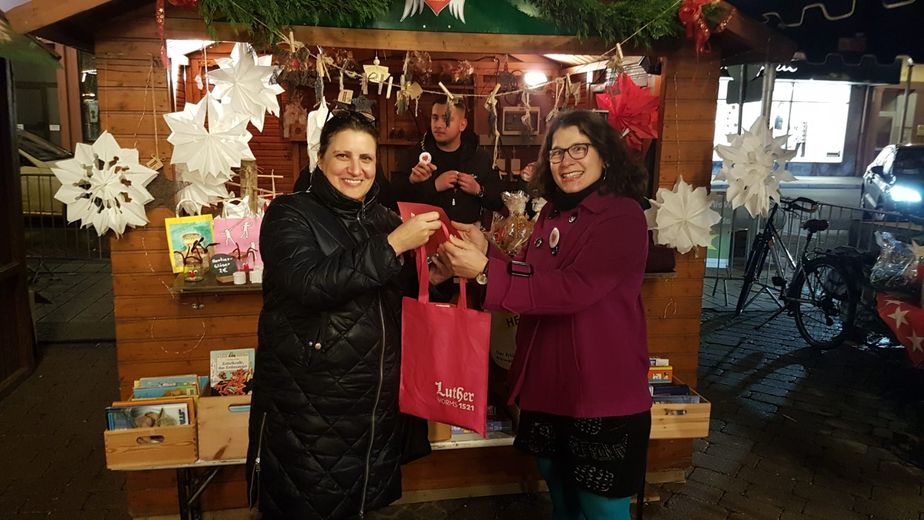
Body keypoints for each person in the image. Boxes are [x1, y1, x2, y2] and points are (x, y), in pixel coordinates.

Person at [440, 110, 652, 520]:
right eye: (556, 153)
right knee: (562, 500)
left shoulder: (622, 215)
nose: (566, 161)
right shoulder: (552, 213)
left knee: (601, 511)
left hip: (600, 394)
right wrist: (487, 250)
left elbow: (574, 288)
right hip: (547, 387)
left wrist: (485, 270)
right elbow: (537, 276)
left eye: (578, 149)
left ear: (605, 155)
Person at [246, 109, 451, 520]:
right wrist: (393, 246)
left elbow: (398, 297)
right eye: (343, 156)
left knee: (360, 506)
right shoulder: (289, 213)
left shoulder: (384, 219)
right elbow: (310, 283)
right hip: (310, 411)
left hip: (373, 409)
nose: (355, 169)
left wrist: (439, 275)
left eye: (366, 159)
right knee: (308, 506)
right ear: (321, 159)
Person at [391, 98, 504, 224]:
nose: (438, 125)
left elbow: (498, 202)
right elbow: (393, 199)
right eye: (435, 118)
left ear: (462, 125)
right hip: (424, 236)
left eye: (446, 119)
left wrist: (478, 190)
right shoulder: (414, 154)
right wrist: (432, 186)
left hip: (467, 236)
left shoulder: (480, 157)